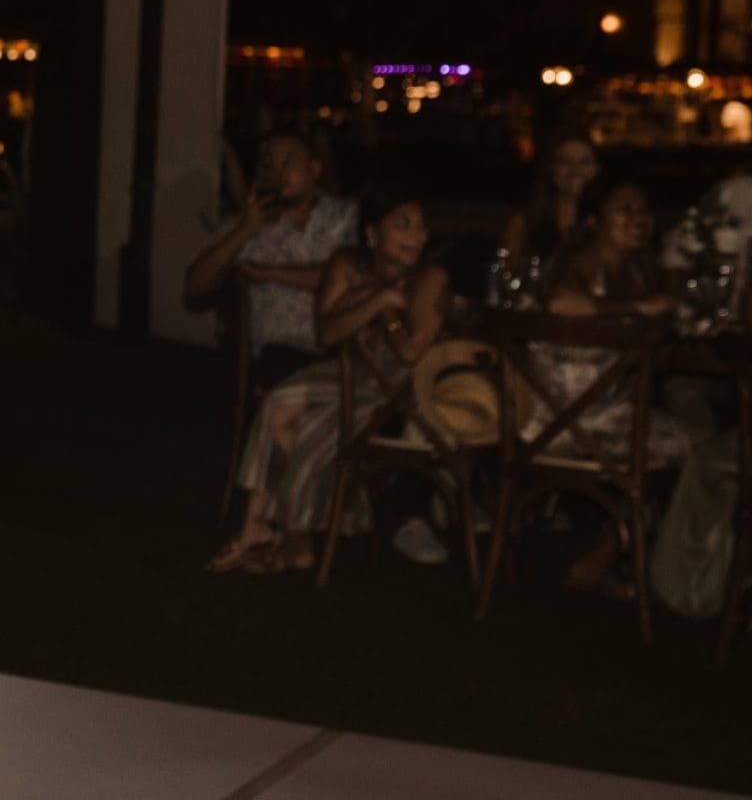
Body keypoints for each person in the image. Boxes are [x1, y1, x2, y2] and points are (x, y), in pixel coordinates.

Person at [210, 193, 450, 576]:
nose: (416, 235)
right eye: (402, 224)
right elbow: (327, 334)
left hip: (396, 391)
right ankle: (259, 528)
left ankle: (291, 539)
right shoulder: (348, 262)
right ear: (372, 233)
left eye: (420, 226)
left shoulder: (430, 277)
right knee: (278, 401)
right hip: (346, 375)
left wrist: (386, 309)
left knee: (307, 431)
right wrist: (376, 299)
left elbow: (408, 353)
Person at [532, 175, 705, 597]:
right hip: (564, 419)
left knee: (695, 425)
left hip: (611, 411)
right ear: (593, 221)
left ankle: (637, 550)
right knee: (701, 449)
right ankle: (656, 564)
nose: (638, 220)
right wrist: (634, 309)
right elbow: (557, 302)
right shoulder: (579, 263)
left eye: (644, 210)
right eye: (623, 210)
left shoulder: (637, 271)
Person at [185, 129, 358, 384]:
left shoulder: (344, 218)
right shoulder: (247, 227)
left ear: (314, 169)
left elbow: (356, 276)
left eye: (289, 160)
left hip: (344, 345)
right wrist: (245, 230)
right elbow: (195, 285)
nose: (279, 170)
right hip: (282, 350)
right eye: (270, 163)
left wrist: (267, 273)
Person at [498, 130, 600, 277]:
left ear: (598, 169)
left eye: (585, 162)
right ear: (551, 168)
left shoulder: (609, 224)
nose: (575, 170)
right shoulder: (523, 223)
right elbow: (505, 276)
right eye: (565, 162)